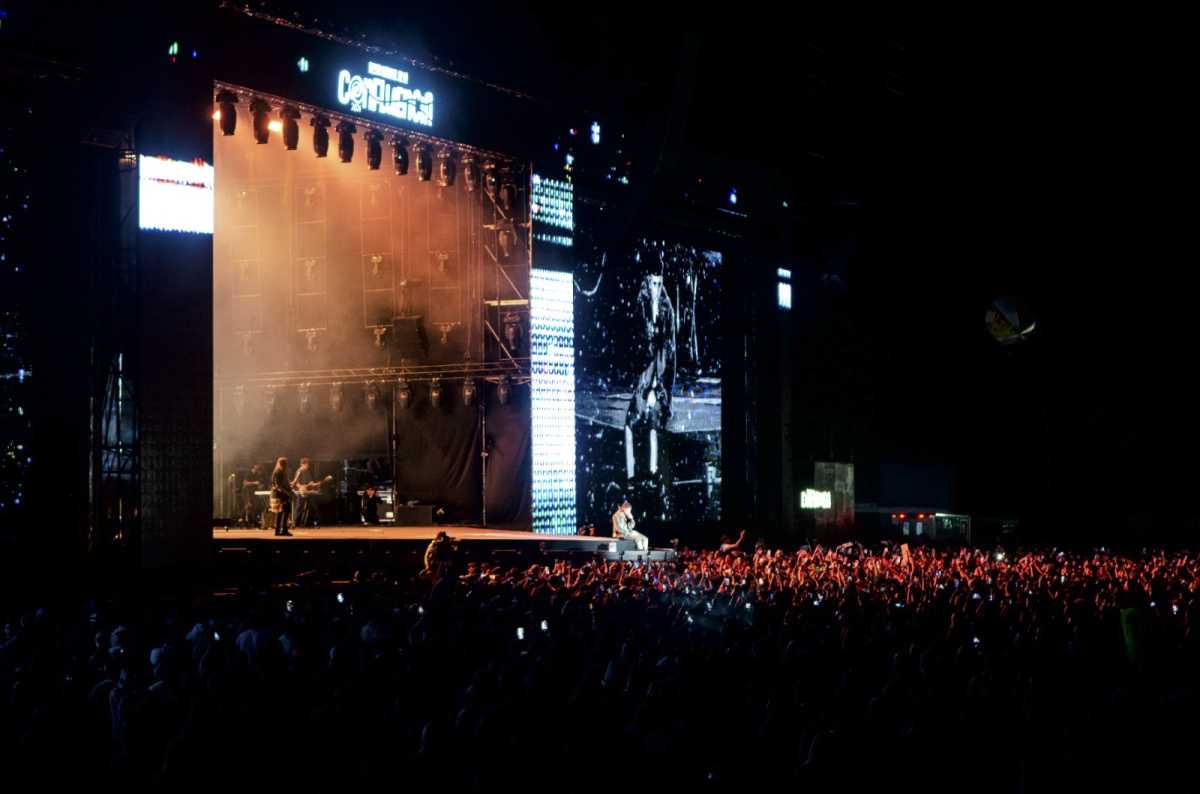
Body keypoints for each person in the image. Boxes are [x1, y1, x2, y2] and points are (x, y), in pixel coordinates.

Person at [624, 265, 676, 482]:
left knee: (652, 423)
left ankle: (652, 472)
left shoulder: (666, 308)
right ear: (647, 282)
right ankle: (632, 474)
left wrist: (657, 385)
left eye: (659, 283)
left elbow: (666, 350)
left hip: (656, 374)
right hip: (644, 373)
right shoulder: (641, 304)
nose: (656, 287)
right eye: (653, 283)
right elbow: (636, 342)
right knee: (630, 424)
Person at [291, 457, 317, 528]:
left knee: (311, 507)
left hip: (307, 492)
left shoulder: (308, 471)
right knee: (299, 508)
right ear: (302, 464)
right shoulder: (299, 471)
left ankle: (308, 523)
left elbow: (310, 482)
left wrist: (313, 484)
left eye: (308, 465)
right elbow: (296, 483)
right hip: (301, 492)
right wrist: (301, 487)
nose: (308, 466)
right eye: (307, 464)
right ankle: (294, 523)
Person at [270, 456, 293, 536]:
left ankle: (279, 530)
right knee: (284, 512)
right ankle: (282, 530)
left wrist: (290, 486)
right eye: (285, 464)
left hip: (281, 494)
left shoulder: (280, 471)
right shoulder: (278, 472)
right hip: (280, 495)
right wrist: (287, 493)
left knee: (282, 513)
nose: (286, 466)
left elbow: (283, 484)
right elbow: (278, 486)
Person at [242, 463, 264, 528]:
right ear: (254, 466)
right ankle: (243, 519)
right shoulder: (249, 473)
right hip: (246, 492)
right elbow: (245, 483)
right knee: (248, 506)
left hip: (253, 493)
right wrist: (255, 483)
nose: (259, 467)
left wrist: (260, 486)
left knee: (253, 507)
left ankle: (251, 522)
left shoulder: (257, 474)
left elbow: (258, 483)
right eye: (257, 465)